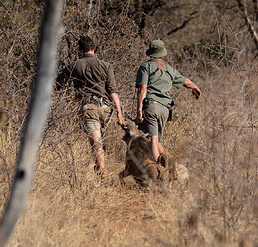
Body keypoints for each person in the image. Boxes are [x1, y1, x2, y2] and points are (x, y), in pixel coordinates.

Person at [56, 36, 125, 176]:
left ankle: (102, 172)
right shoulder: (106, 66)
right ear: (94, 48)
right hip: (106, 110)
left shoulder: (74, 66)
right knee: (99, 141)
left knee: (96, 142)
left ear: (79, 50)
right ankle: (101, 170)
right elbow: (113, 92)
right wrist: (119, 113)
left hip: (88, 108)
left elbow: (57, 86)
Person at [135, 39, 202, 162]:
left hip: (151, 107)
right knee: (156, 140)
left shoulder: (146, 67)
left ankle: (159, 171)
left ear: (150, 52)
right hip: (165, 110)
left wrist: (139, 111)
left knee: (153, 141)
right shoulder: (169, 69)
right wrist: (196, 87)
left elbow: (142, 88)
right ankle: (171, 166)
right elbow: (186, 82)